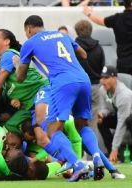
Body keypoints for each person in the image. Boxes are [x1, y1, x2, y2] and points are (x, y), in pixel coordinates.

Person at [14, 15, 106, 182]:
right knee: (82, 125)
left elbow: (20, 77)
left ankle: (77, 164)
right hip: (83, 79)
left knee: (52, 130)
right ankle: (97, 158)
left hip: (63, 83)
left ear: (28, 29)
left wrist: (16, 65)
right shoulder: (62, 35)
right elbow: (83, 54)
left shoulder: (30, 43)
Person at [74, 19, 105, 153]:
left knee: (75, 122)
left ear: (77, 31)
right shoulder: (99, 47)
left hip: (78, 87)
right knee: (93, 124)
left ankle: (77, 155)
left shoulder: (74, 47)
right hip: (94, 87)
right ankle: (94, 155)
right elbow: (101, 67)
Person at [83, 0, 132, 74]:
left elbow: (101, 21)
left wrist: (89, 14)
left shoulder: (117, 18)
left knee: (124, 83)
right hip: (124, 62)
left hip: (123, 62)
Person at [98, 65, 132, 163]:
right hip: (123, 116)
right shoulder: (103, 89)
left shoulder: (124, 95)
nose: (103, 81)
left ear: (115, 78)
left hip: (128, 118)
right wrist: (102, 114)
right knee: (102, 121)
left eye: (107, 78)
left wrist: (115, 147)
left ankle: (114, 152)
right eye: (102, 77)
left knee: (128, 121)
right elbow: (106, 108)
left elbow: (122, 123)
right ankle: (113, 156)